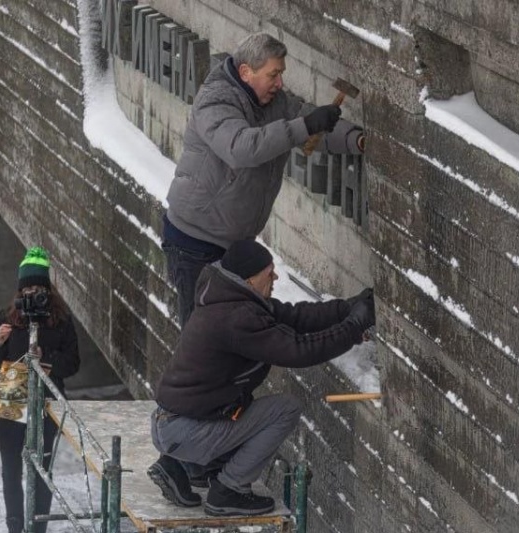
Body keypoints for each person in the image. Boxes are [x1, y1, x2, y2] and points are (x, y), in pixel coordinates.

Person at [148, 239, 375, 516]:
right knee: (284, 409)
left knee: (246, 411)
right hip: (185, 430)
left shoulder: (227, 297)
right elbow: (298, 351)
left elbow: (294, 317)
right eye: (269, 272)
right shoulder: (237, 317)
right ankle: (229, 491)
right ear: (250, 279)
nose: (276, 276)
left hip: (174, 424)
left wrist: (346, 308)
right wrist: (353, 328)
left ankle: (180, 466)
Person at [163, 32, 366, 327]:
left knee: (232, 333)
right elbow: (241, 148)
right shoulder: (215, 101)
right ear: (246, 72)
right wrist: (305, 125)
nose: (280, 83)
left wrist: (355, 140)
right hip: (194, 243)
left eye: (281, 74)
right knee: (201, 336)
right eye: (274, 74)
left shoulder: (274, 101)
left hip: (232, 244)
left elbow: (305, 120)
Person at [0, 247, 80, 533]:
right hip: (13, 392)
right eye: (27, 287)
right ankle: (15, 526)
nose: (32, 293)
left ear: (48, 289)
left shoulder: (61, 320)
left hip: (46, 396)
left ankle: (38, 528)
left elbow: (73, 363)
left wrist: (49, 362)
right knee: (11, 468)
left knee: (42, 470)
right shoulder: (7, 318)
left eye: (38, 287)